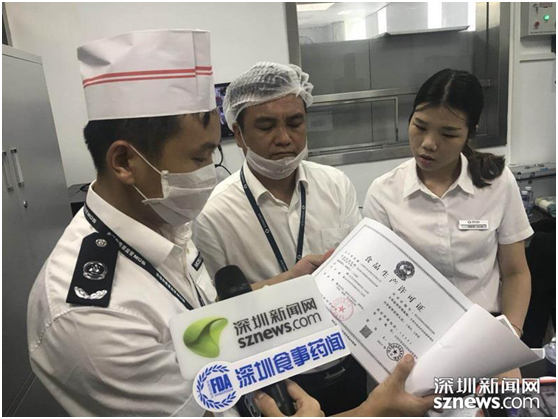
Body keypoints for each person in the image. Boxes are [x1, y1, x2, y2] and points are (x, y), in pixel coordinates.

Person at [26, 29, 434, 417]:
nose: (210, 172)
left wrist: (285, 282)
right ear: (124, 162)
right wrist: (373, 411)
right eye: (199, 158)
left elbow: (206, 320)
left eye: (212, 155)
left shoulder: (166, 227)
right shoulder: (91, 313)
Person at [192, 62, 365, 415]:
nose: (284, 138)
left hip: (347, 359)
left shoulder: (335, 186)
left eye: (295, 122)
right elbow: (211, 313)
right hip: (278, 382)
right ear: (238, 134)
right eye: (266, 126)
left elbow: (359, 270)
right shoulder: (212, 213)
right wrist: (288, 281)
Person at [363, 69, 533, 339]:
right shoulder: (384, 192)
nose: (428, 144)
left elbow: (515, 272)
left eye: (448, 134)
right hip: (414, 332)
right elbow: (377, 283)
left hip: (485, 329)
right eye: (420, 126)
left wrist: (510, 335)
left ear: (469, 134)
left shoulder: (497, 183)